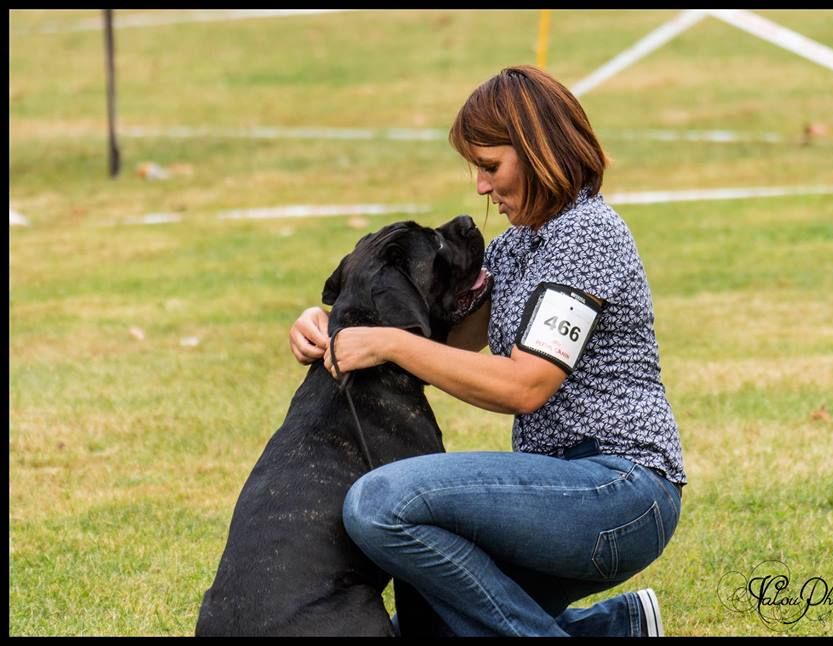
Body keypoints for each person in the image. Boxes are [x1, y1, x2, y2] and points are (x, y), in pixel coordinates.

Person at [288, 65, 686, 637]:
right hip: (558, 494)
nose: (479, 186)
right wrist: (329, 325)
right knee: (427, 630)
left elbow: (523, 386)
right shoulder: (517, 245)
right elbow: (441, 343)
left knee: (378, 504)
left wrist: (390, 342)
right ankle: (619, 626)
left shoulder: (588, 235)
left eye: (490, 166)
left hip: (619, 492)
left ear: (538, 151)